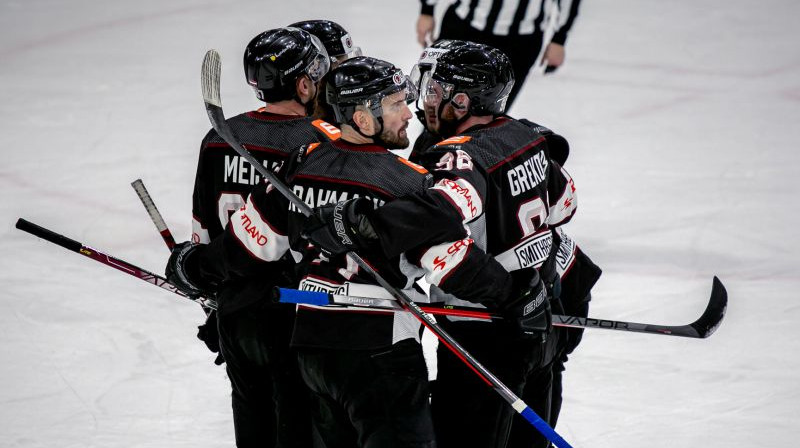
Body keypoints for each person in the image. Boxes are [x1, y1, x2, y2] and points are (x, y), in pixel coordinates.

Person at [168, 55, 545, 448]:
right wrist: (514, 293)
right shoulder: (407, 182)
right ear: (363, 119)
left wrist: (193, 267)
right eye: (396, 105)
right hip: (379, 356)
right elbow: (452, 263)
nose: (408, 115)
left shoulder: (301, 164)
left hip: (312, 354)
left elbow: (251, 245)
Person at [336, 41, 589, 448]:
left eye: (434, 91)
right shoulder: (523, 133)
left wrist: (372, 225)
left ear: (462, 100)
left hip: (484, 333)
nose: (423, 103)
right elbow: (565, 205)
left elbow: (442, 212)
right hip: (543, 321)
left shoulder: (458, 157)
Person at [184, 26, 340, 448]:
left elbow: (203, 237)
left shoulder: (219, 138)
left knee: (251, 426)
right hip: (298, 314)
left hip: (237, 311)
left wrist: (217, 304)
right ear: (306, 83)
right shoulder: (323, 143)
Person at [415, 0, 582, 109]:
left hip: (520, 40)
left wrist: (560, 38)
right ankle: (427, 160)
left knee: (490, 114)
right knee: (439, 106)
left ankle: (471, 162)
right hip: (465, 26)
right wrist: (427, 10)